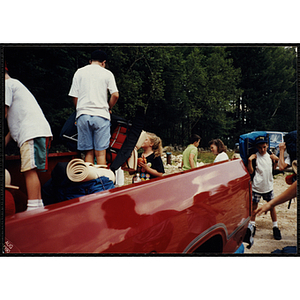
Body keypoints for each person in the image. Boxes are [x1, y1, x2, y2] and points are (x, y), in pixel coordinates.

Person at [5, 62, 53, 211]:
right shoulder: (15, 84)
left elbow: (4, 112)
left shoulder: (7, 85)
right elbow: (16, 119)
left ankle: (33, 209)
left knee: (29, 170)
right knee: (31, 170)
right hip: (36, 131)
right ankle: (37, 207)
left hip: (31, 132)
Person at [69, 50, 119, 165]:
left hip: (83, 115)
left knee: (88, 153)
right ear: (103, 62)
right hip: (101, 115)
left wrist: (79, 109)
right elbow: (115, 94)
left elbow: (74, 95)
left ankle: (90, 181)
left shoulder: (79, 72)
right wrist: (108, 107)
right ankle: (101, 180)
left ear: (90, 61)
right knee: (101, 153)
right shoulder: (107, 73)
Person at [247, 135, 281, 240]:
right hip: (257, 187)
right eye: (260, 147)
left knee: (272, 207)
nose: (262, 149)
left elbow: (273, 169)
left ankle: (275, 226)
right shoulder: (255, 157)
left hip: (268, 186)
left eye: (264, 147)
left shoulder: (270, 156)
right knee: (254, 207)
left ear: (267, 146)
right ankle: (252, 225)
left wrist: (276, 161)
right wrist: (249, 161)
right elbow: (251, 172)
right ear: (257, 147)